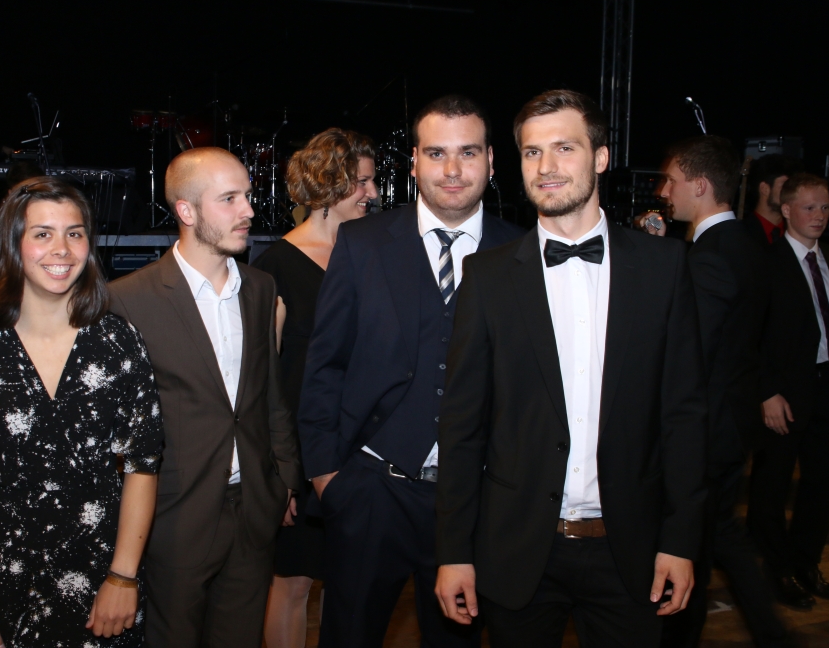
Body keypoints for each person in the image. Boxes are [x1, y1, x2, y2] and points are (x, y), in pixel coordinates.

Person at [434, 90, 707, 648]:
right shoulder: (487, 276)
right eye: (532, 152)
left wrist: (680, 540)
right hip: (517, 551)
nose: (547, 167)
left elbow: (684, 417)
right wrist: (454, 552)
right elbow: (462, 427)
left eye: (564, 148)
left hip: (630, 551)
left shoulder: (663, 268)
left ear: (600, 157)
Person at [298, 95, 524, 648]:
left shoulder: (521, 252)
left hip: (475, 503)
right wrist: (329, 479)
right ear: (415, 162)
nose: (453, 170)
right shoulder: (362, 244)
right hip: (372, 492)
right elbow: (325, 365)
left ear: (491, 161)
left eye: (468, 152)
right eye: (437, 153)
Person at [0, 177, 164, 647]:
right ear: (12, 245)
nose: (62, 248)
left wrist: (123, 577)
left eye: (74, 233)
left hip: (103, 579)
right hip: (5, 579)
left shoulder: (118, 343)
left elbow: (143, 465)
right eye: (43, 234)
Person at [108, 147, 303, 648]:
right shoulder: (128, 299)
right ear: (187, 211)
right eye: (230, 199)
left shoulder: (260, 288)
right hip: (175, 516)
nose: (249, 211)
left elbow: (270, 394)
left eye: (248, 196)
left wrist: (284, 479)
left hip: (255, 509)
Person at [646, 136, 789, 647]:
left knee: (689, 547)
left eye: (672, 182)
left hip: (705, 433)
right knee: (718, 537)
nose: (665, 192)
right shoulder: (744, 245)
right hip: (731, 425)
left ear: (701, 185)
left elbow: (691, 351)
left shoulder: (710, 257)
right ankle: (771, 633)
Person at [252, 128, 378, 648]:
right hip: (302, 454)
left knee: (348, 582)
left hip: (361, 449)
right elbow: (261, 382)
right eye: (363, 182)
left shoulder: (372, 255)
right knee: (294, 581)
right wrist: (279, 474)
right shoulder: (275, 268)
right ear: (330, 184)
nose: (373, 194)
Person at [748, 173, 829, 608]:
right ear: (786, 210)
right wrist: (766, 392)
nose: (819, 215)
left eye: (825, 207)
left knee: (822, 485)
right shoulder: (765, 262)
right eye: (809, 207)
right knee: (771, 486)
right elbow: (750, 335)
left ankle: (806, 565)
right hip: (783, 393)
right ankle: (777, 571)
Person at [0, 161, 47, 258]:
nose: (29, 197)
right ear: (11, 193)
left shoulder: (51, 215)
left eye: (35, 190)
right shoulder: (2, 220)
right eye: (23, 192)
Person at [740, 154, 804, 247]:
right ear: (765, 189)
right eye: (785, 185)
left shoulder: (798, 233)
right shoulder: (741, 235)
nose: (791, 192)